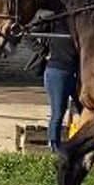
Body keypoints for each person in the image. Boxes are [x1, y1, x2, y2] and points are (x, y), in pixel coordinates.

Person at [35, 14, 82, 152]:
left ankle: (83, 143)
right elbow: (29, 34)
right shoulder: (55, 21)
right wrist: (43, 51)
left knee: (84, 108)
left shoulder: (79, 21)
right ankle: (54, 147)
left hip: (76, 74)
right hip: (57, 72)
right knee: (58, 112)